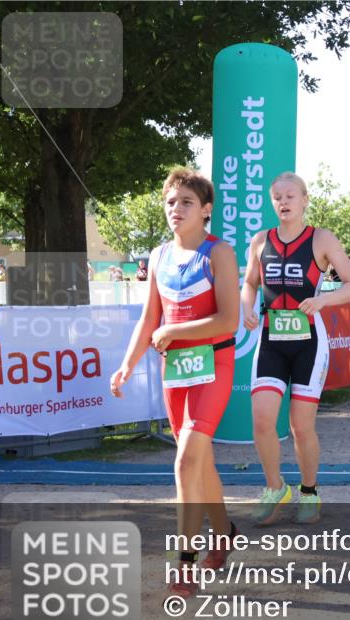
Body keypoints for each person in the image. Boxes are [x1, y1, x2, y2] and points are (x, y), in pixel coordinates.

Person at [110, 167, 239, 596]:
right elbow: (149, 318)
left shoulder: (219, 252)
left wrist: (174, 331)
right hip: (176, 371)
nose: (176, 209)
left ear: (205, 210)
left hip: (214, 366)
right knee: (200, 461)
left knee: (185, 461)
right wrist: (127, 364)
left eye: (186, 202)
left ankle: (185, 563)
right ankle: (224, 532)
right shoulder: (159, 255)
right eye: (170, 202)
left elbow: (228, 320)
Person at [240, 172, 350, 528]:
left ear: (305, 200)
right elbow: (249, 283)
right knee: (262, 420)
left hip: (309, 342)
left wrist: (322, 300)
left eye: (290, 196)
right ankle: (275, 487)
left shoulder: (321, 239)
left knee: (300, 426)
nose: (283, 202)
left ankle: (309, 491)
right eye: (277, 197)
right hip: (270, 341)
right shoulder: (260, 241)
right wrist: (246, 308)